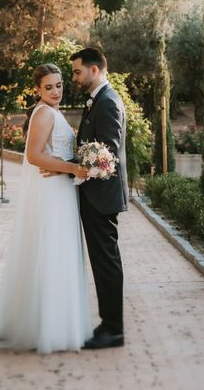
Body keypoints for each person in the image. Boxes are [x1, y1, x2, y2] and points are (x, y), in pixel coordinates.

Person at [0, 63, 92, 353]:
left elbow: (55, 151)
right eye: (48, 87)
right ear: (38, 90)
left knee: (58, 252)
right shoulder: (42, 114)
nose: (55, 92)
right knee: (50, 250)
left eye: (59, 85)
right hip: (51, 192)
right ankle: (45, 327)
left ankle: (58, 323)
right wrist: (73, 167)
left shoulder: (53, 112)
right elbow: (34, 156)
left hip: (61, 190)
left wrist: (76, 164)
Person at [71, 47, 128, 349]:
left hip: (102, 197)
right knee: (103, 261)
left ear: (94, 70)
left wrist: (76, 168)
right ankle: (109, 324)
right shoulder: (98, 100)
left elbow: (108, 152)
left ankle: (113, 328)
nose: (74, 78)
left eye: (77, 71)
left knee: (106, 263)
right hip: (94, 195)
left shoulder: (107, 102)